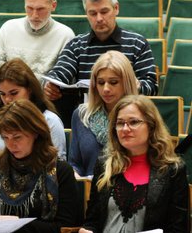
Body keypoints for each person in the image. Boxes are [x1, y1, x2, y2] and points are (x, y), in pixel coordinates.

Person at [44, 0, 158, 127]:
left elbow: (152, 87)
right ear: (86, 14)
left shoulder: (137, 43)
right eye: (93, 13)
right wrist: (51, 85)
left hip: (127, 119)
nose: (99, 18)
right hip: (87, 119)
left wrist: (136, 85)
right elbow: (61, 71)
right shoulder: (76, 45)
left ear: (116, 9)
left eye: (104, 11)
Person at [79, 95, 189, 233]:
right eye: (120, 123)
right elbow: (92, 221)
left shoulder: (173, 171)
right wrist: (87, 230)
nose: (125, 129)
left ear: (151, 125)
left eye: (134, 122)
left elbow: (178, 228)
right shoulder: (105, 165)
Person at [0, 99, 79, 232]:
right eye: (5, 138)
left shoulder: (61, 171)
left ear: (36, 133)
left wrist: (18, 223)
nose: (11, 145)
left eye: (17, 137)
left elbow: (65, 227)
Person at [0, 58, 66, 168]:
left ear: (30, 89)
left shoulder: (50, 120)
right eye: (2, 94)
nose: (7, 99)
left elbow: (58, 164)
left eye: (14, 93)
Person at [69, 51, 138, 177]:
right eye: (101, 82)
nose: (106, 89)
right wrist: (76, 176)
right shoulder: (81, 115)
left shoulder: (140, 116)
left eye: (113, 82)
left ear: (126, 83)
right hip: (90, 190)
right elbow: (75, 163)